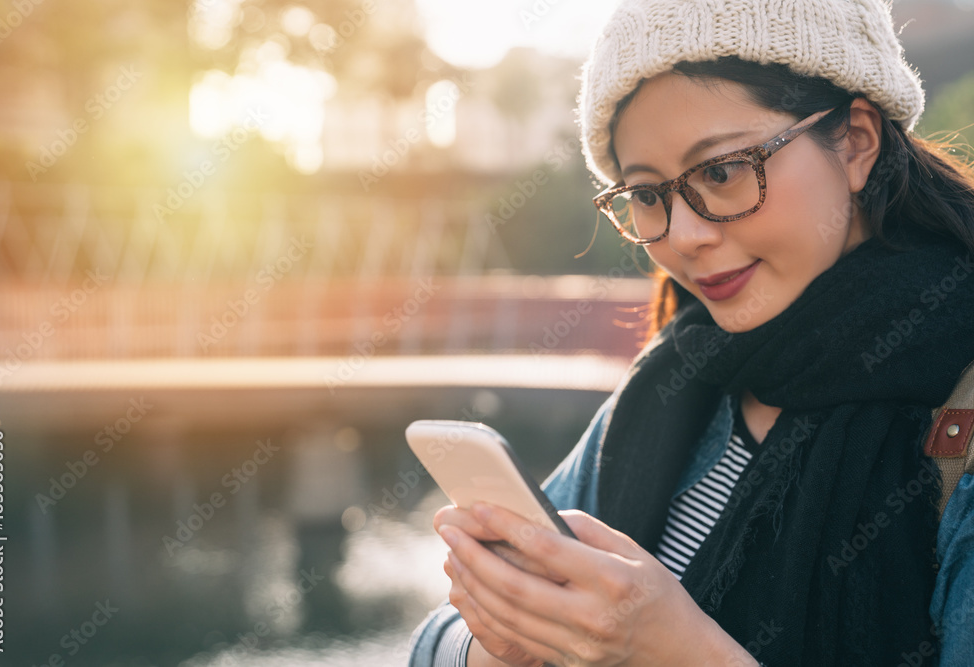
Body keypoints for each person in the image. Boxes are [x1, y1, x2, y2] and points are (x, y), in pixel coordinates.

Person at [408, 0, 974, 664]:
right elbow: (430, 645)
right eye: (647, 195)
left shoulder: (952, 418)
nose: (684, 236)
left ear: (855, 142)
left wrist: (675, 649)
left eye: (722, 172)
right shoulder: (678, 377)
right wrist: (501, 644)